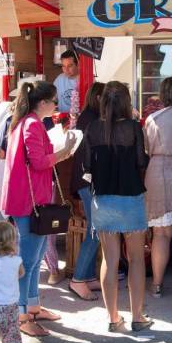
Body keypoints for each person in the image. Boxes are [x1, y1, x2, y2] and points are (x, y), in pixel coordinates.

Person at [1, 80, 76, 337]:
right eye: (54, 101)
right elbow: (39, 161)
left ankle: (32, 306)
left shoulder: (24, 122)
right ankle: (23, 316)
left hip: (27, 200)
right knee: (29, 261)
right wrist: (63, 152)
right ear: (42, 103)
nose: (57, 105)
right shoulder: (32, 124)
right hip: (29, 202)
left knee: (34, 257)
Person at [85, 81, 152, 332]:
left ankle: (113, 319)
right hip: (131, 197)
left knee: (109, 260)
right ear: (126, 102)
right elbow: (141, 162)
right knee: (136, 260)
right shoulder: (134, 128)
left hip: (103, 199)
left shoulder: (92, 128)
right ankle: (137, 317)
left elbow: (86, 166)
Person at [144, 77, 172, 298]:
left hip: (158, 170)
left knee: (160, 234)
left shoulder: (152, 118)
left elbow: (147, 148)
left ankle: (157, 285)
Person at [68, 82, 105, 301]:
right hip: (87, 181)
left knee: (95, 228)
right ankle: (79, 278)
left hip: (83, 180)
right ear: (99, 98)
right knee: (95, 229)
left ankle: (88, 275)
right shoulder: (93, 120)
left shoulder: (86, 118)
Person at [54, 50, 79, 114]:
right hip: (62, 119)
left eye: (70, 66)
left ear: (78, 64)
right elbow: (52, 99)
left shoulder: (86, 79)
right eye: (63, 66)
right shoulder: (59, 79)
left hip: (80, 120)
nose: (66, 69)